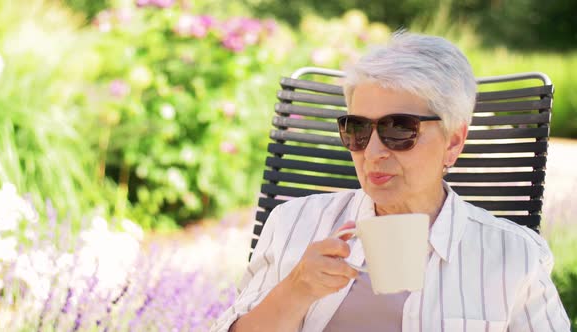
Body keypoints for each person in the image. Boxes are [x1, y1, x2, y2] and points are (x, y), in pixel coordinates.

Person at [211, 32, 570, 332]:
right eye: (358, 129)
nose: (372, 152)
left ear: (454, 141)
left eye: (399, 129)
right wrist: (296, 290)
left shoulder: (514, 256)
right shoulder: (293, 223)